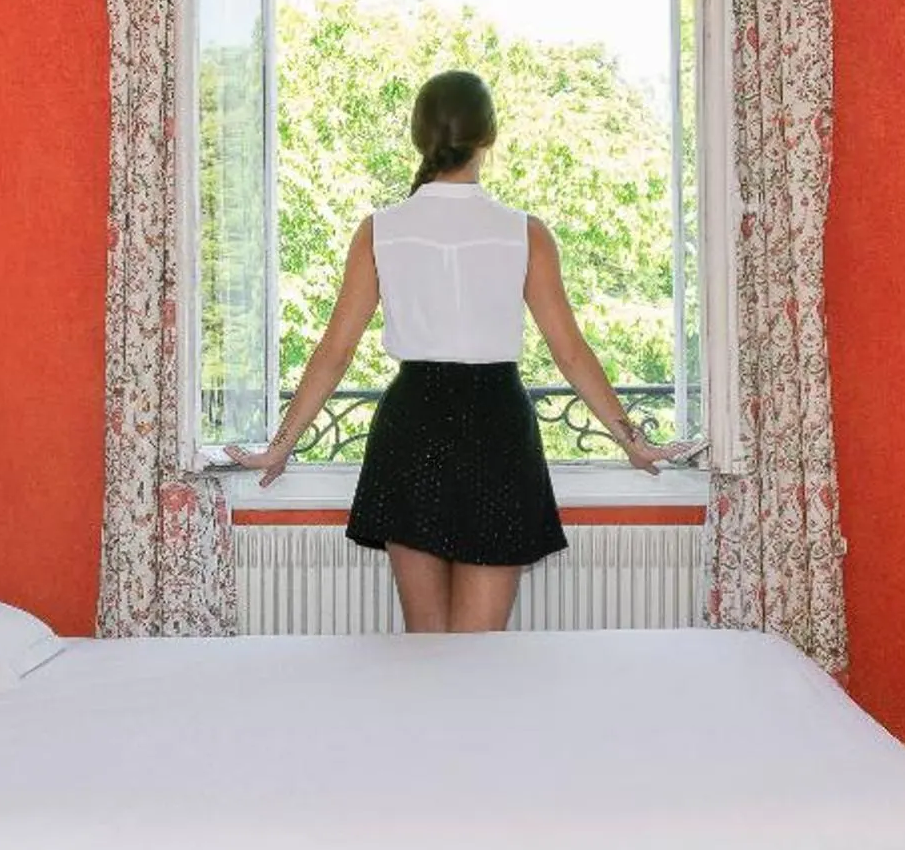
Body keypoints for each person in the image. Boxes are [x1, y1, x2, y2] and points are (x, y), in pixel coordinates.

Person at [228, 70, 683, 633]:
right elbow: (570, 353)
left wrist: (280, 447)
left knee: (427, 647)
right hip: (497, 429)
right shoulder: (525, 233)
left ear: (420, 137)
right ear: (488, 137)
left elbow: (334, 352)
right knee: (480, 656)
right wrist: (634, 443)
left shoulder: (380, 231)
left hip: (413, 426)